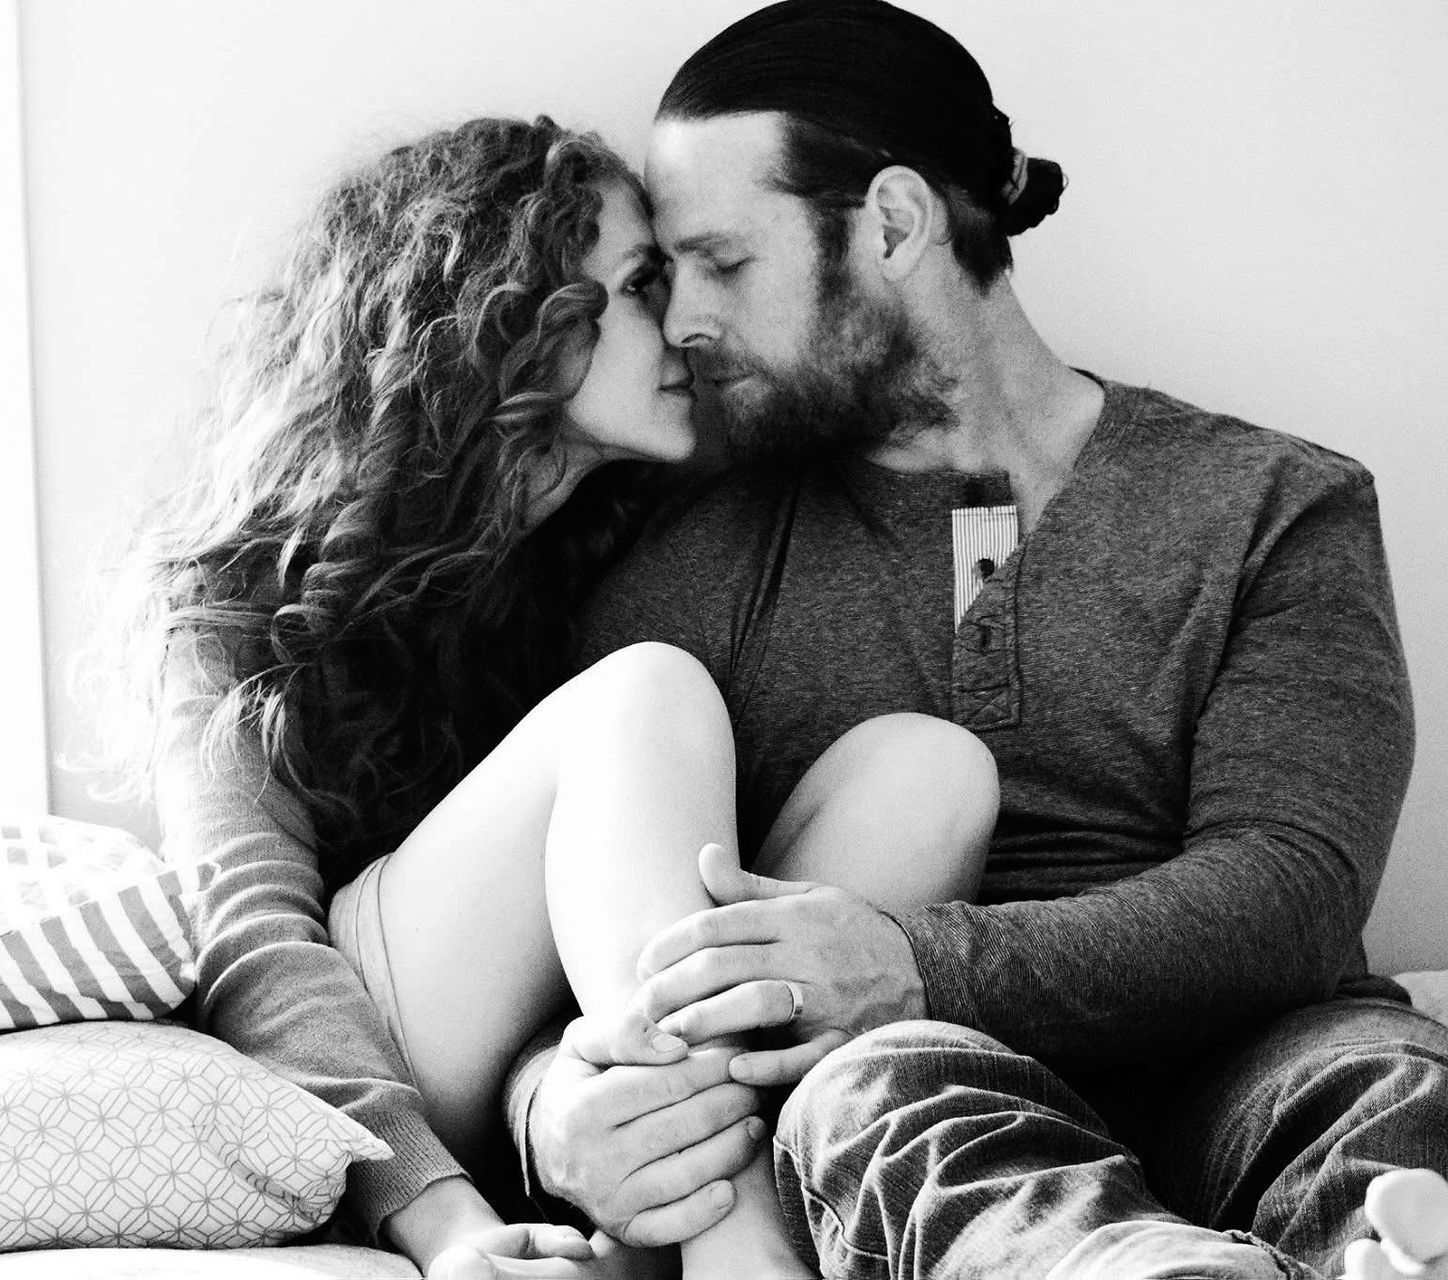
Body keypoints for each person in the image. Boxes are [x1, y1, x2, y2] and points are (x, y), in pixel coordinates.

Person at [502, 3, 1448, 1278]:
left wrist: (914, 962)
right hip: (921, 1104)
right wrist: (548, 1111)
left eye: (722, 263)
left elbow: (1290, 891)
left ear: (892, 224)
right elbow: (569, 937)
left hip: (1255, 1053)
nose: (679, 326)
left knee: (1385, 1089)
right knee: (882, 1102)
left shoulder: (1275, 507)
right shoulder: (687, 567)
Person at [91, 115, 1001, 1277]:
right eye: (636, 287)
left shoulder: (623, 545)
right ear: (508, 318)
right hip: (384, 1041)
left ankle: (658, 1220)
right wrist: (444, 1217)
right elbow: (255, 946)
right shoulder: (233, 591)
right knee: (649, 693)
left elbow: (652, 891)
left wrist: (569, 1085)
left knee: (928, 771)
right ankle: (740, 1254)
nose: (681, 325)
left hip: (587, 1050)